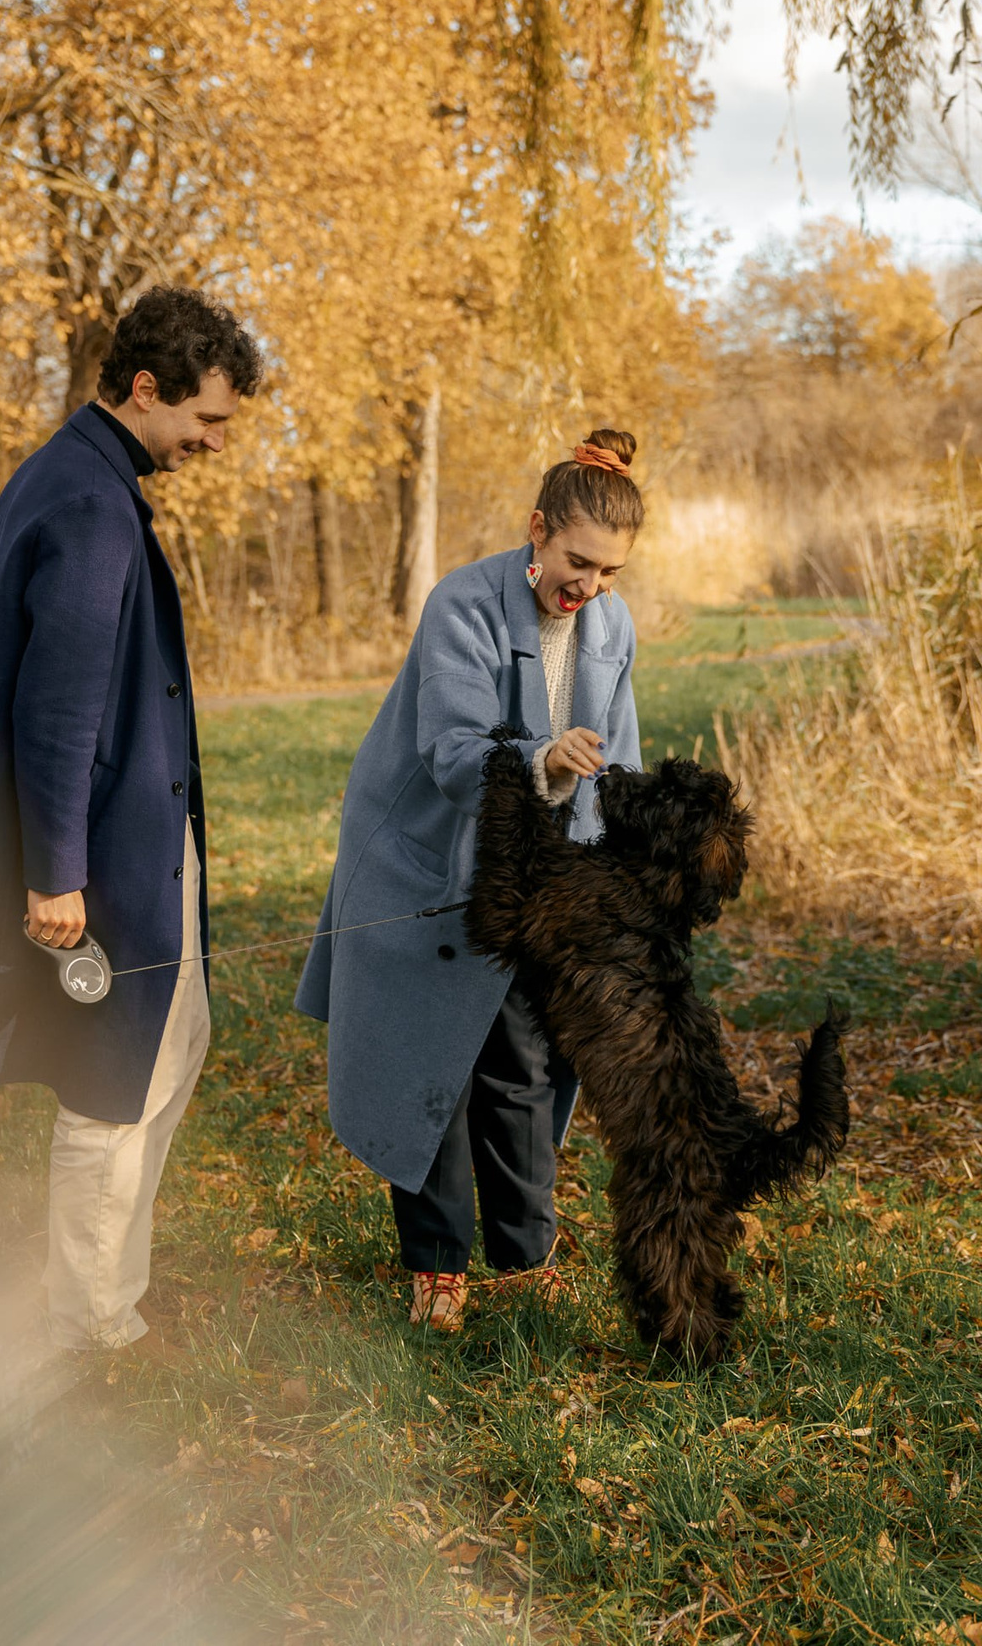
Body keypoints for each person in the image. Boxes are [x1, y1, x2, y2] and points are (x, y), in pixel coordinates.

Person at [0, 286, 262, 1352]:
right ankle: (89, 1320)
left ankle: (111, 1301)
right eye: (206, 420)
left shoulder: (79, 475)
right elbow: (56, 711)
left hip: (138, 838)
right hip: (108, 853)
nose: (213, 442)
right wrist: (56, 872)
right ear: (146, 390)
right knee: (117, 1080)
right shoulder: (87, 505)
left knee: (171, 1046)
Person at [297, 430, 645, 1332]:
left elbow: (623, 762)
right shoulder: (463, 604)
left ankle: (525, 1259)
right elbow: (454, 754)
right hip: (424, 866)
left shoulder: (611, 625)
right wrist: (543, 759)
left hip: (530, 885)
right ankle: (437, 1266)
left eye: (609, 572)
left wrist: (619, 874)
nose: (589, 587)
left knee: (524, 1062)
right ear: (536, 530)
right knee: (431, 1069)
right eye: (577, 562)